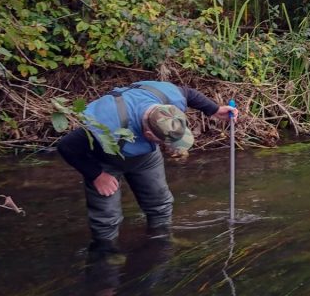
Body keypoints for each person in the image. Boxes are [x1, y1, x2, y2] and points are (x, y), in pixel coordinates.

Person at [57, 80, 237, 252]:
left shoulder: (169, 99)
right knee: (107, 218)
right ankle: (106, 252)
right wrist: (96, 175)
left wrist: (214, 109)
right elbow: (66, 147)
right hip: (104, 161)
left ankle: (161, 239)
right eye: (165, 141)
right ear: (149, 134)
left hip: (144, 158)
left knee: (160, 204)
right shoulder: (108, 122)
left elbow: (188, 93)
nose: (173, 148)